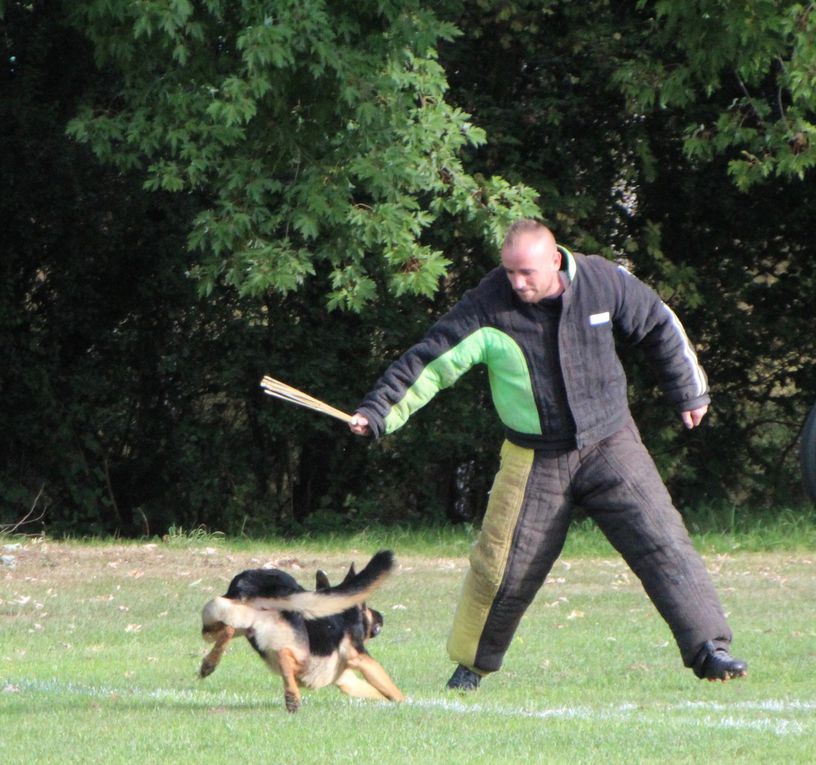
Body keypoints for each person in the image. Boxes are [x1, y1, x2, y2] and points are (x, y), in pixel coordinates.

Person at [349, 219, 747, 690]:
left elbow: (658, 321)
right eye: (510, 272)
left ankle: (710, 650)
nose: (516, 283)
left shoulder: (602, 281)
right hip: (534, 457)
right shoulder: (487, 305)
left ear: (555, 260)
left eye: (527, 273)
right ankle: (470, 667)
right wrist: (377, 413)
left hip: (611, 440)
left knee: (664, 540)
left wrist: (690, 392)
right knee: (502, 569)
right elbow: (429, 362)